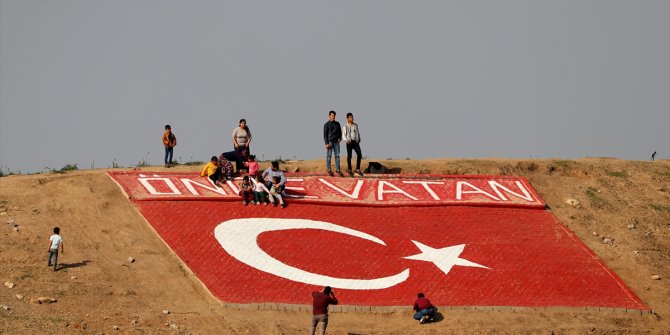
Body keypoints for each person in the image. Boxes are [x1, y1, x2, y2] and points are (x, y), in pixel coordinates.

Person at [342, 112, 364, 177]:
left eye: (352, 117)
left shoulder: (355, 125)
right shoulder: (345, 126)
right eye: (351, 117)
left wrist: (359, 139)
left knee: (359, 154)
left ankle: (357, 169)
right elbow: (343, 135)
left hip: (355, 142)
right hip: (349, 142)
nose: (352, 118)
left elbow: (357, 132)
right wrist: (346, 140)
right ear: (347, 119)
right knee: (349, 156)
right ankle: (349, 170)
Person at [323, 111, 343, 177]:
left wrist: (340, 138)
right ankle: (329, 169)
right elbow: (325, 135)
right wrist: (326, 143)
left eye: (334, 116)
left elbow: (340, 132)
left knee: (337, 156)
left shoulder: (337, 124)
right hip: (330, 142)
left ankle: (338, 169)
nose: (333, 117)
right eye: (332, 115)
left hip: (336, 142)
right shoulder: (326, 125)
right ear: (329, 116)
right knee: (329, 156)